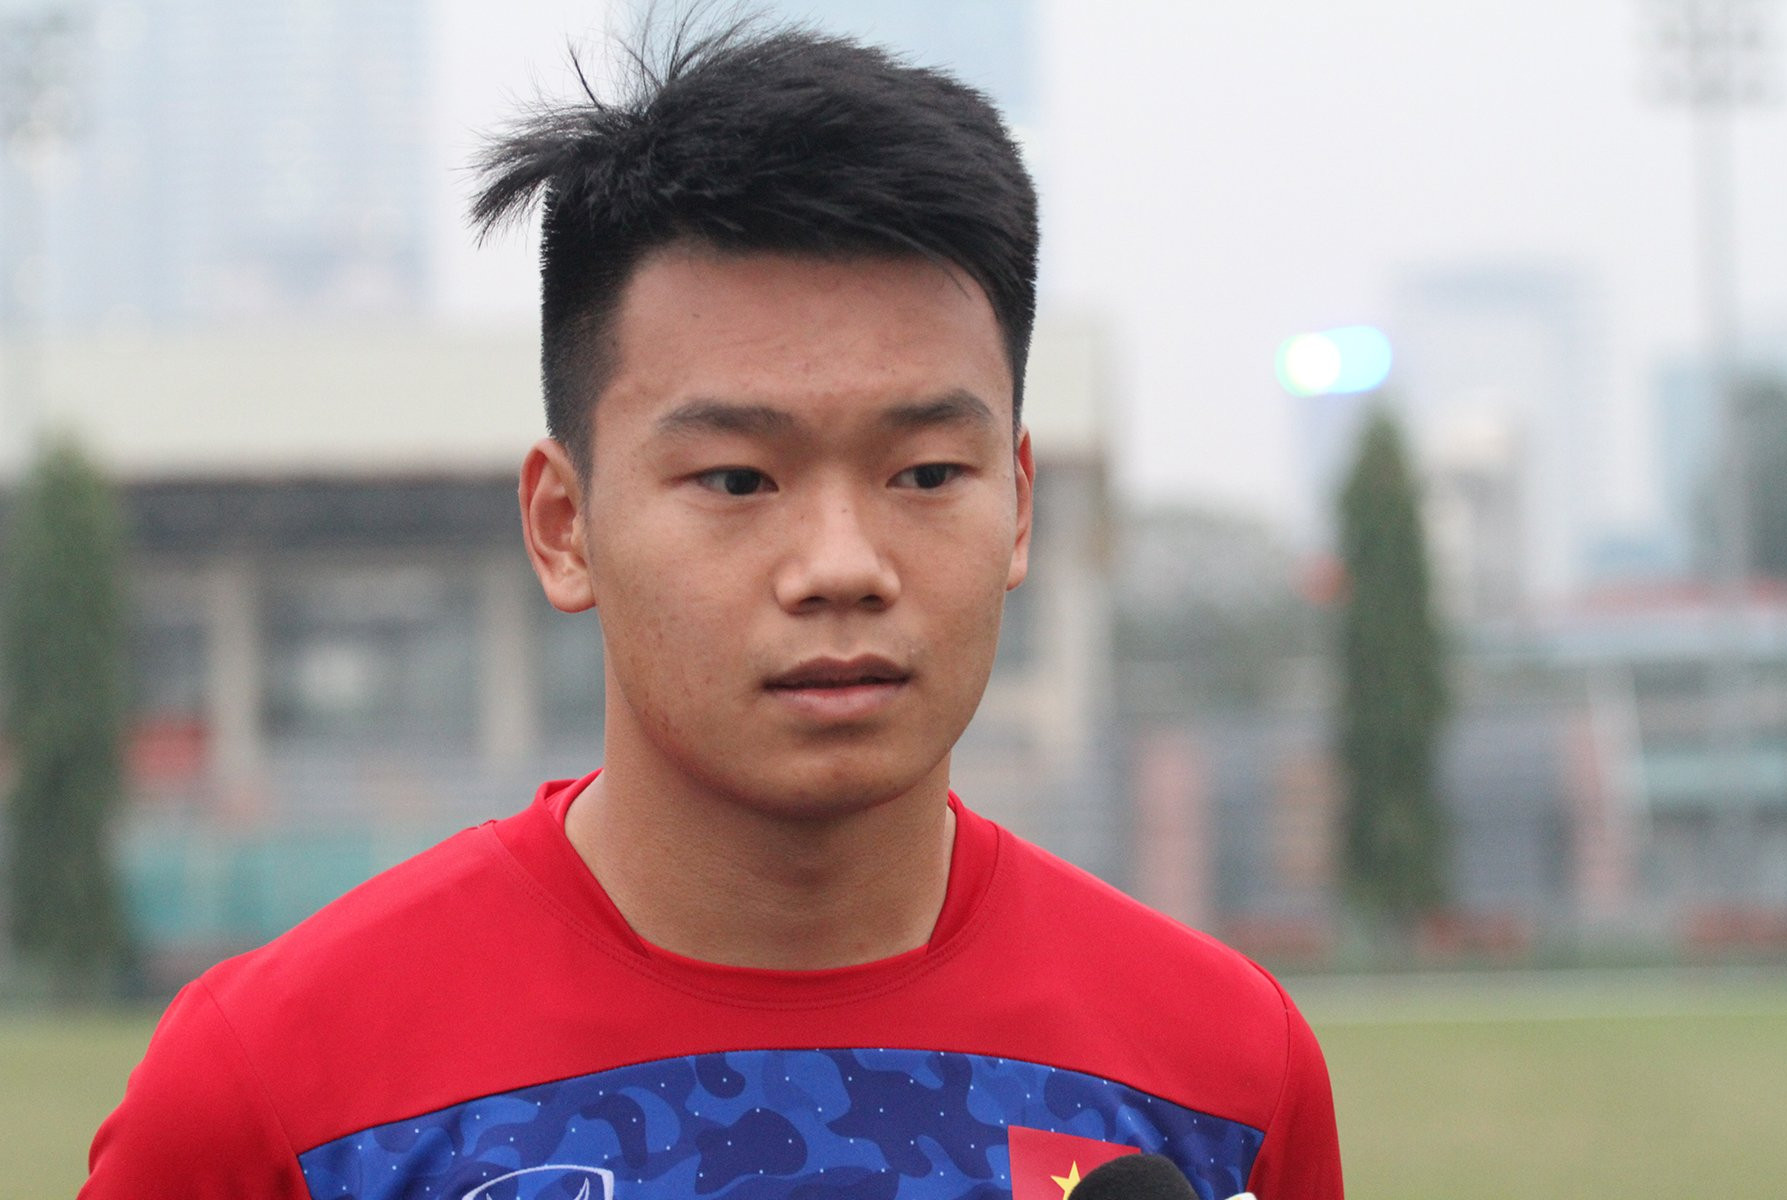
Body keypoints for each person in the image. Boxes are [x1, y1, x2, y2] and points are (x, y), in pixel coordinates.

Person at [84, 17, 1341, 1199]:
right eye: (738, 479)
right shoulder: (278, 1094)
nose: (840, 565)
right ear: (563, 525)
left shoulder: (1221, 1078)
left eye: (924, 474)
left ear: (1017, 508)